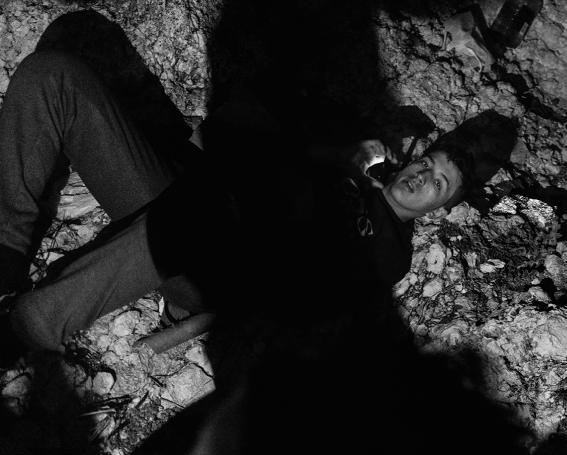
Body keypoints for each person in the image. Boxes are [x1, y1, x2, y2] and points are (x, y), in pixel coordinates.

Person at [0, 31, 474, 361]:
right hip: (183, 186)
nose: (423, 176)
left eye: (439, 183)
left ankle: (22, 330)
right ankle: (3, 257)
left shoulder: (389, 250)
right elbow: (236, 131)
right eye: (426, 163)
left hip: (215, 258)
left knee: (209, 213)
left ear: (442, 208)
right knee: (55, 76)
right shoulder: (349, 157)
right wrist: (337, 156)